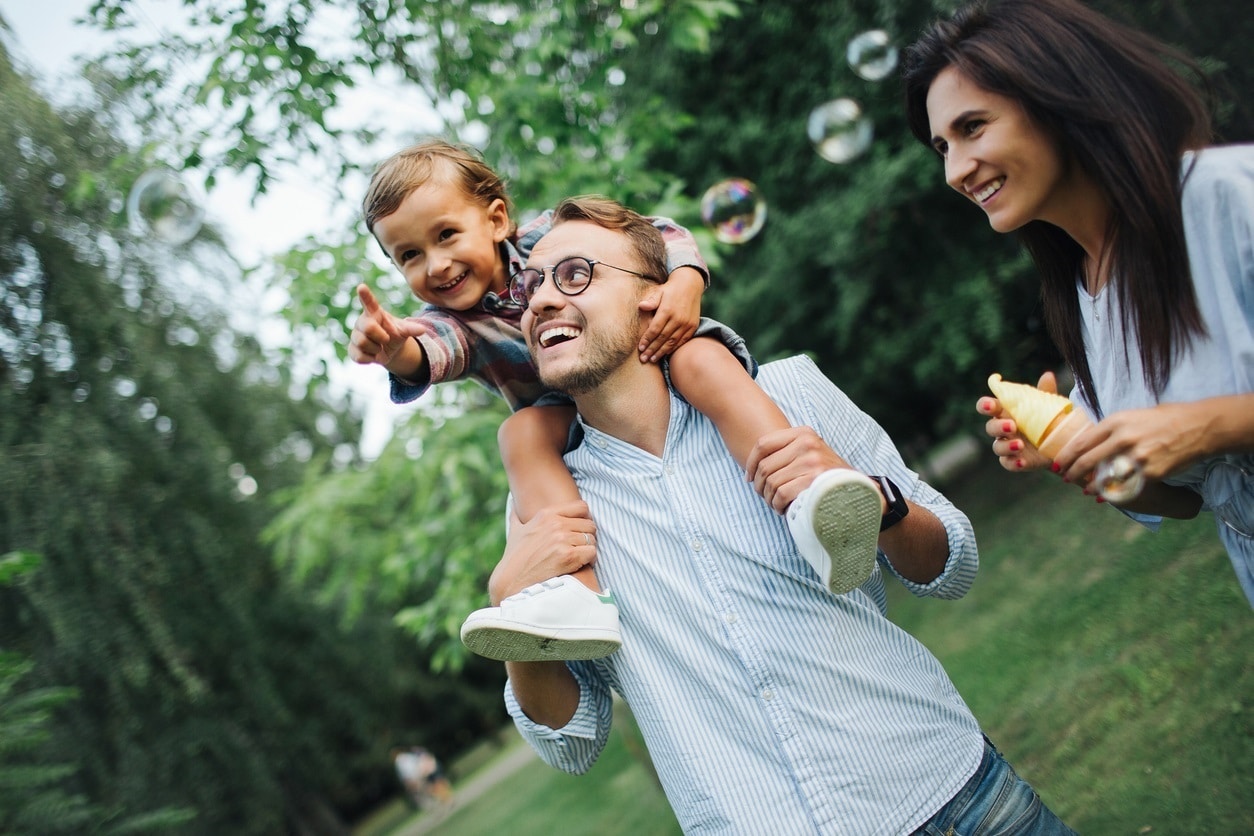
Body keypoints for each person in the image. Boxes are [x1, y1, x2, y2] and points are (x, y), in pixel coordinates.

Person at [495, 195, 1075, 833]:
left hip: (953, 798)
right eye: (529, 286)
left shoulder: (787, 393)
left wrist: (876, 499)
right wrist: (515, 617)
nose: (541, 300)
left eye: (575, 275)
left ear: (652, 296)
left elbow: (952, 566)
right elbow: (571, 745)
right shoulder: (542, 504)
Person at [349, 139, 883, 662]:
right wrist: (396, 352)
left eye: (446, 235)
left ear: (495, 219)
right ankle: (579, 598)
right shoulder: (451, 323)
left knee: (699, 358)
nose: (436, 265)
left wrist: (686, 280)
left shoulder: (552, 237)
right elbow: (430, 352)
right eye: (410, 256)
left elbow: (658, 233)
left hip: (652, 358)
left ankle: (812, 502)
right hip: (577, 419)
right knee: (519, 433)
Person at [903, 0, 1254, 606]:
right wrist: (1081, 456)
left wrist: (1197, 427)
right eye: (941, 147)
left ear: (1055, 98)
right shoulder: (1084, 293)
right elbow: (1190, 497)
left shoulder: (1221, 196)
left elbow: (1193, 438)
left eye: (972, 127)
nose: (955, 171)